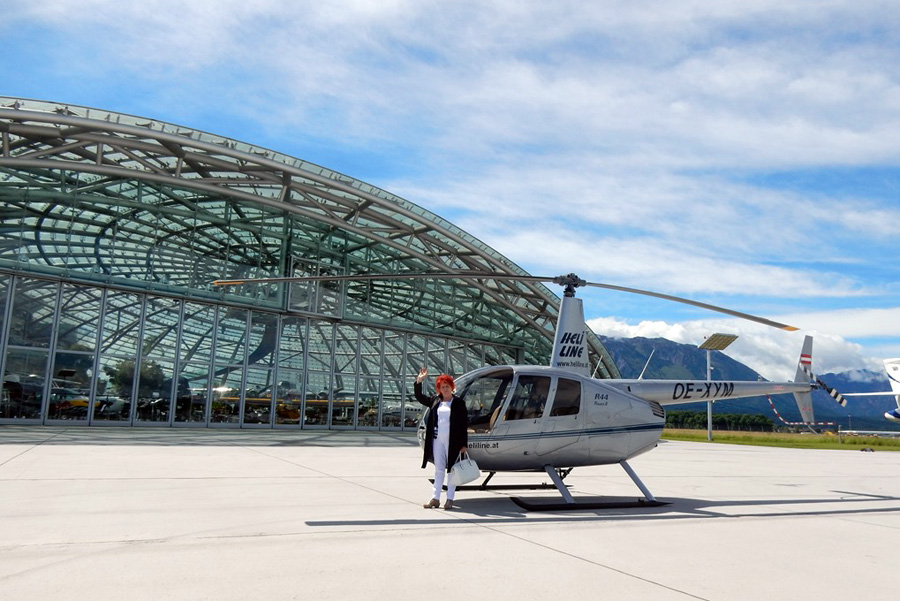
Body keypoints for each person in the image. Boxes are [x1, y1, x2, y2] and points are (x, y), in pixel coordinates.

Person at [414, 367, 468, 510]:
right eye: (442, 387)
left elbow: (464, 425)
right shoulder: (435, 401)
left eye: (447, 386)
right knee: (439, 469)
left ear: (451, 387)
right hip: (438, 440)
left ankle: (450, 499)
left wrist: (464, 444)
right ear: (439, 388)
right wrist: (419, 381)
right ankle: (435, 498)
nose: (444, 389)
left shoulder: (458, 403)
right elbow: (420, 397)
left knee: (451, 470)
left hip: (453, 442)